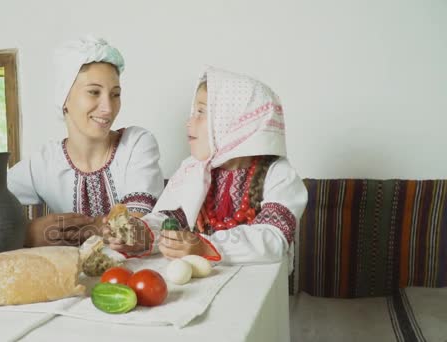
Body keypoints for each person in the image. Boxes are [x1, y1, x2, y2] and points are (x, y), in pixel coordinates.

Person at [105, 66, 307, 271]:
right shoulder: (193, 170)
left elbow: (273, 238)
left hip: (259, 288)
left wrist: (205, 246)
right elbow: (172, 220)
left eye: (201, 112)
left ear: (233, 121)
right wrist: (143, 234)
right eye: (193, 112)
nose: (189, 122)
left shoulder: (279, 174)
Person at [8, 35, 164, 247]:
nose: (108, 108)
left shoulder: (136, 144)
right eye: (93, 92)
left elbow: (133, 227)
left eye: (115, 94)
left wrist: (81, 231)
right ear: (64, 99)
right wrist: (28, 232)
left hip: (136, 276)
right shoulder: (43, 164)